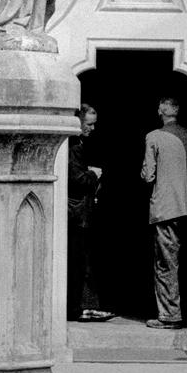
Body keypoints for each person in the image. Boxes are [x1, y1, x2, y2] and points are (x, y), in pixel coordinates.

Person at [140, 96, 187, 328]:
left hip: (166, 208)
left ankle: (170, 315)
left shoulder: (153, 137)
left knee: (166, 263)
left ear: (160, 111)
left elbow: (148, 175)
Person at [67, 105, 113, 322]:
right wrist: (93, 174)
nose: (93, 128)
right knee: (79, 260)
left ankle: (83, 306)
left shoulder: (77, 144)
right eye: (89, 124)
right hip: (76, 213)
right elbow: (76, 178)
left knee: (82, 260)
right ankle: (80, 308)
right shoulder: (73, 146)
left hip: (79, 212)